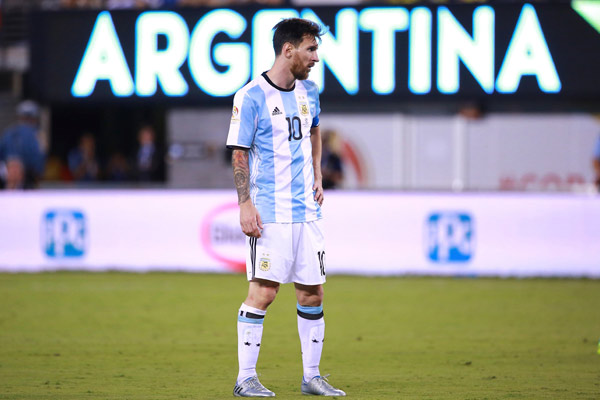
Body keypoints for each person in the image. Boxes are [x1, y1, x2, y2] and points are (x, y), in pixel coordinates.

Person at [226, 18, 345, 397]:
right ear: (288, 49)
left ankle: (312, 377)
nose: (315, 58)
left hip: (307, 212)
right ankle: (245, 378)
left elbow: (314, 131)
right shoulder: (251, 96)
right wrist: (245, 204)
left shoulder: (309, 91)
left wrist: (318, 175)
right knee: (263, 292)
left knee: (313, 293)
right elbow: (240, 153)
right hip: (270, 211)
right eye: (310, 50)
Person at [0, 100, 45, 189]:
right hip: (10, 178)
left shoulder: (37, 135)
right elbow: (40, 162)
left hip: (27, 179)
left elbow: (39, 162)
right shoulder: (10, 134)